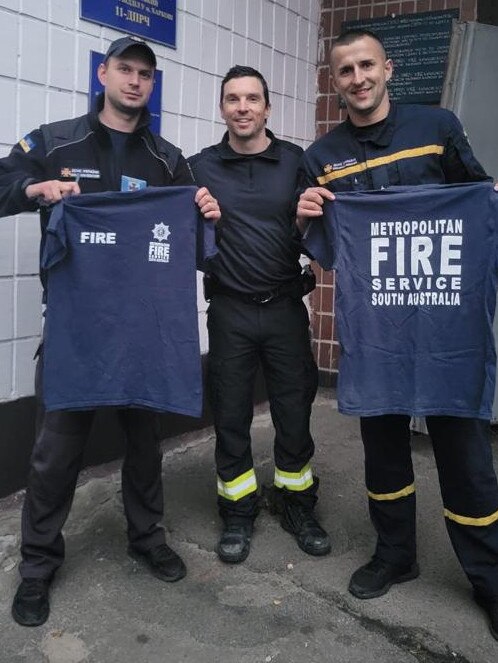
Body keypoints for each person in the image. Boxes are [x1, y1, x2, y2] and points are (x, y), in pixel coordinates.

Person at [0, 36, 220, 627]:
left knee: (145, 446)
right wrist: (34, 190)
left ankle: (147, 538)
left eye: (145, 73)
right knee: (53, 456)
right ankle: (38, 567)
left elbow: (195, 243)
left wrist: (206, 211)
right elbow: (0, 186)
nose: (134, 81)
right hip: (76, 332)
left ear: (152, 84)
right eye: (124, 69)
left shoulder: (169, 159)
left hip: (143, 334)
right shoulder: (53, 142)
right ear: (104, 74)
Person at [296, 28, 498, 640]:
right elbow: (324, 248)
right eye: (344, 71)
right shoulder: (322, 155)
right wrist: (306, 213)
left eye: (366, 66)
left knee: (465, 458)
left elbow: (478, 199)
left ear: (388, 68)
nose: (357, 78)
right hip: (377, 333)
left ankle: (488, 579)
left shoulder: (436, 126)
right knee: (384, 455)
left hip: (445, 330)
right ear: (334, 83)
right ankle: (395, 556)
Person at [188, 65, 330, 564]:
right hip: (229, 309)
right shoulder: (199, 168)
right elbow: (180, 234)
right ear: (222, 107)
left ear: (268, 107)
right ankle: (238, 511)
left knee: (294, 410)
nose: (243, 107)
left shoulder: (295, 162)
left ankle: (297, 504)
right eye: (233, 99)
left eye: (252, 99)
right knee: (229, 414)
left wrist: (300, 219)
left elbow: (315, 232)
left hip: (285, 308)